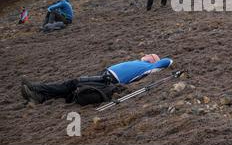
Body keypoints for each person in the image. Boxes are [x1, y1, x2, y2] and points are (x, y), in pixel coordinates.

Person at [20, 55, 173, 104]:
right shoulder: (140, 63)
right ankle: (39, 97)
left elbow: (167, 61)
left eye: (150, 55)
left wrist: (157, 61)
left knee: (73, 84)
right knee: (71, 89)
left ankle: (37, 88)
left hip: (109, 80)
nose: (146, 55)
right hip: (105, 76)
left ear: (152, 60)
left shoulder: (148, 67)